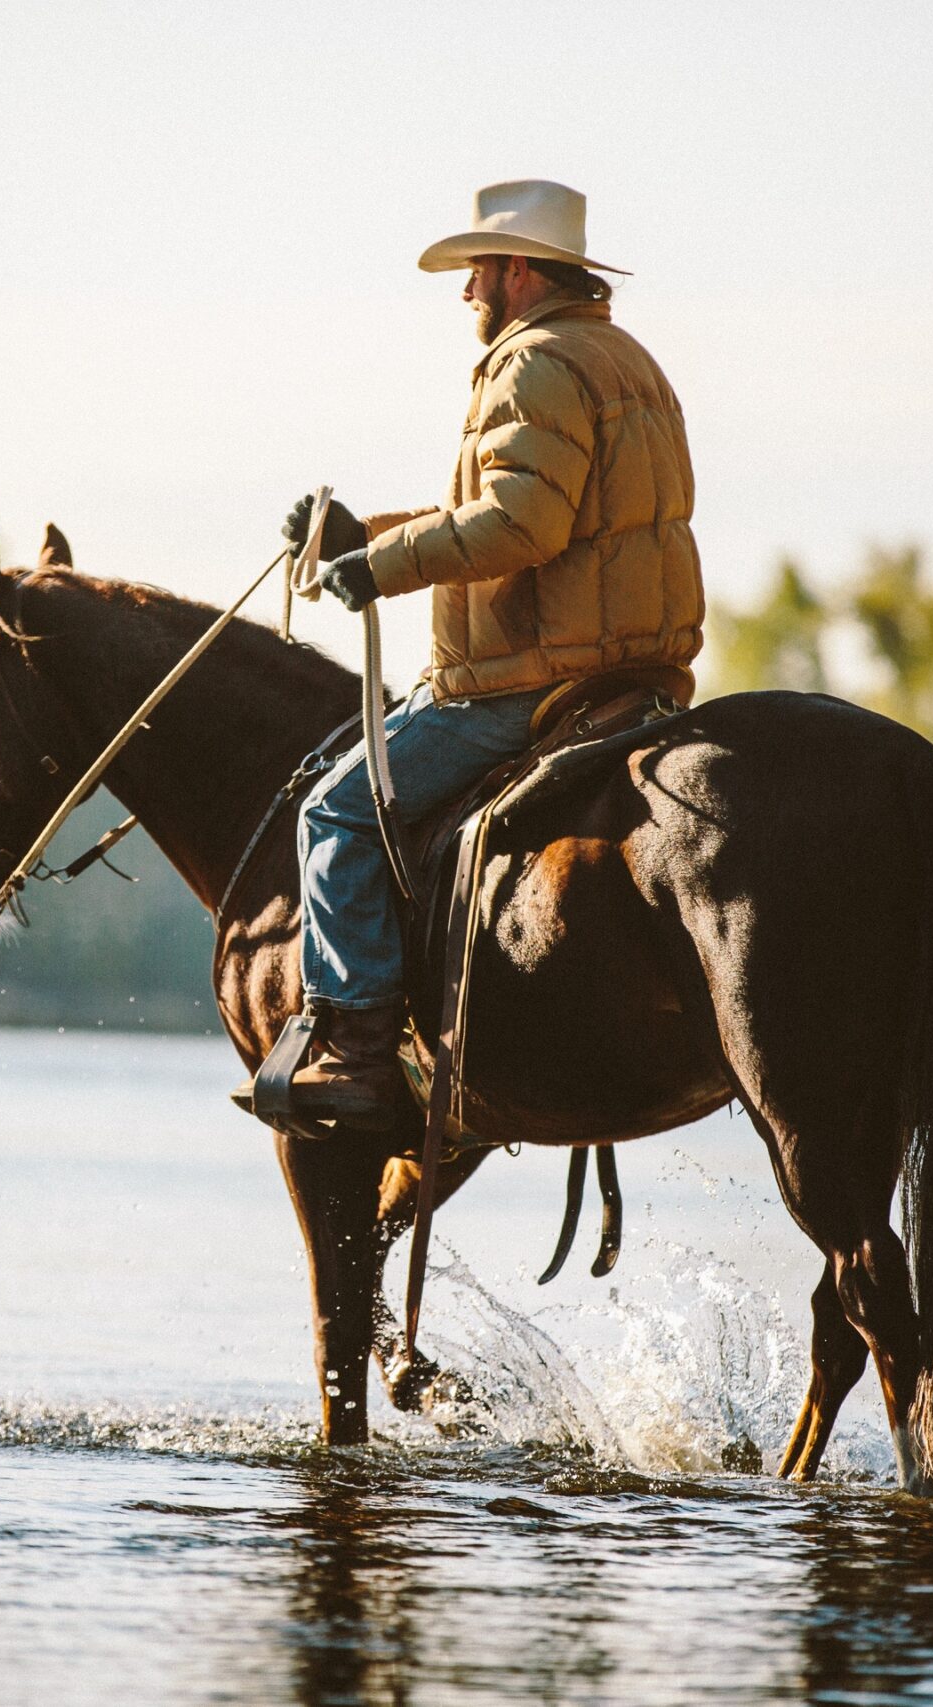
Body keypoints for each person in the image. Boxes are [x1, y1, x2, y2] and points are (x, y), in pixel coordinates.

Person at [278, 179, 704, 1128]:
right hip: (632, 675)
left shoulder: (534, 362)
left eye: (476, 270)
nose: (465, 292)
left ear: (517, 272)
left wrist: (377, 569)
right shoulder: (623, 358)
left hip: (530, 682)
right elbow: (517, 512)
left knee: (335, 814)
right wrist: (361, 537)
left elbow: (522, 522)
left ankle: (355, 1053)